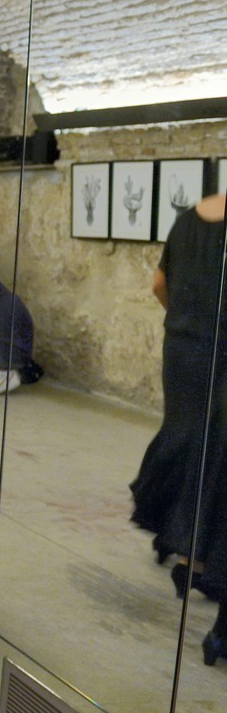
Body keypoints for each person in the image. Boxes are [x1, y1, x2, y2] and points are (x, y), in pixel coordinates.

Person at [132, 193, 227, 665]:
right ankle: (195, 552)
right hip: (220, 348)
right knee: (213, 452)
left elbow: (159, 285)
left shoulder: (191, 218)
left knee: (186, 435)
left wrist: (182, 321)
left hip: (184, 343)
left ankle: (179, 543)